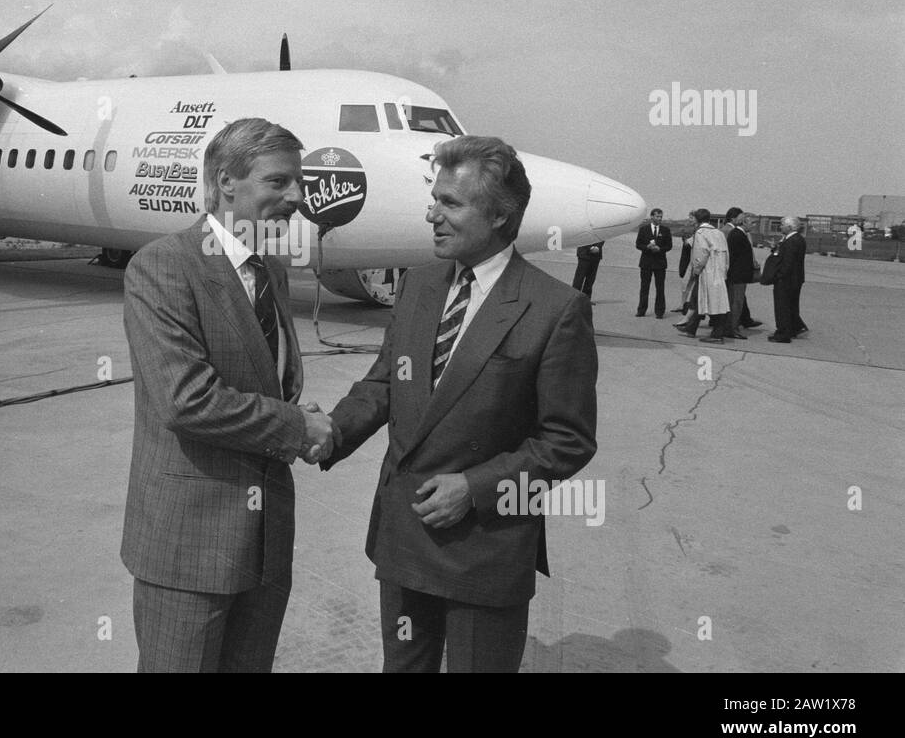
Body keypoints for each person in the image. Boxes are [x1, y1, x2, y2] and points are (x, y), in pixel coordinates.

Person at [321, 135, 598, 673]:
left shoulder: (555, 309)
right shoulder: (418, 286)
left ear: (499, 214)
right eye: (435, 199)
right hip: (404, 537)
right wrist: (329, 431)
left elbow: (568, 440)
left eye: (450, 203)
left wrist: (474, 489)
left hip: (484, 549)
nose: (432, 214)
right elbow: (385, 384)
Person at [119, 117, 336, 672]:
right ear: (225, 182)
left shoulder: (274, 270)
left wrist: (293, 413)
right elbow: (186, 400)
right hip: (188, 545)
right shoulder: (164, 267)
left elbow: (267, 382)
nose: (296, 198)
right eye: (279, 182)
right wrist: (296, 426)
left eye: (299, 183)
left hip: (264, 542)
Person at [675, 209, 730, 342]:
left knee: (712, 302)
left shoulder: (701, 233)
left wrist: (696, 270)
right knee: (702, 299)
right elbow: (726, 254)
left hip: (707, 272)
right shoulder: (719, 233)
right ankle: (691, 328)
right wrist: (724, 270)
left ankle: (717, 335)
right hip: (719, 272)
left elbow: (701, 254)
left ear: (697, 220)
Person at [768, 215, 808, 343]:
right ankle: (793, 328)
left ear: (789, 227)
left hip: (787, 280)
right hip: (795, 279)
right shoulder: (796, 239)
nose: (780, 227)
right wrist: (775, 248)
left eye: (782, 225)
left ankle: (783, 333)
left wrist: (779, 276)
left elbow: (787, 262)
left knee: (782, 307)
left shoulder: (792, 241)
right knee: (791, 306)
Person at [635, 208, 672, 317]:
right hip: (646, 263)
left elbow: (669, 246)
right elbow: (638, 244)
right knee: (644, 288)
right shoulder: (643, 229)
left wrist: (659, 249)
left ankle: (660, 312)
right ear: (652, 217)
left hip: (660, 263)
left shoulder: (665, 230)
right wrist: (647, 247)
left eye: (661, 217)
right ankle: (641, 310)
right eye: (657, 216)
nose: (659, 219)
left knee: (660, 288)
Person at [723, 207, 753, 339]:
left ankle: (731, 327)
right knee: (736, 303)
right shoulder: (736, 235)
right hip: (737, 277)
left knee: (736, 302)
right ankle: (732, 329)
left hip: (739, 276)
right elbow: (732, 257)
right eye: (751, 223)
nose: (753, 225)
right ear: (744, 223)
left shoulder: (739, 234)